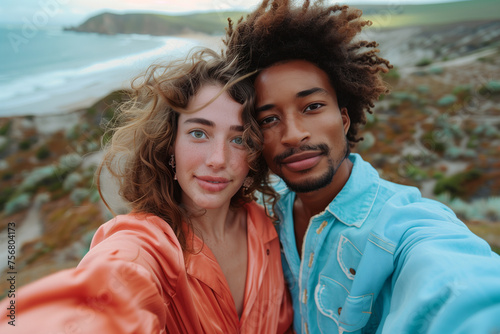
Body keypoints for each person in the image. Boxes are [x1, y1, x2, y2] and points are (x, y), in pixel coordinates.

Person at [223, 1, 500, 333]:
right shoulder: (262, 210)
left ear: (343, 117)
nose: (294, 135)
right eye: (269, 119)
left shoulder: (400, 223)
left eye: (312, 106)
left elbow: (457, 283)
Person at [0, 49, 293, 333]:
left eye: (239, 139)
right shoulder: (147, 244)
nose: (218, 159)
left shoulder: (266, 227)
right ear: (170, 147)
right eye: (198, 133)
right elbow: (110, 292)